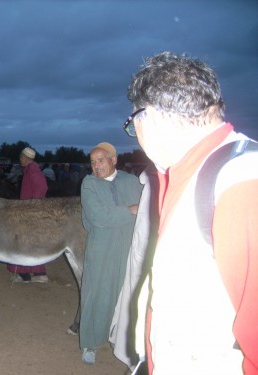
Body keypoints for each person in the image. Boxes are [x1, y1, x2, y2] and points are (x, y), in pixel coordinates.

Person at [122, 52, 258, 375]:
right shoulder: (189, 172)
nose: (137, 138)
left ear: (149, 118)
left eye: (133, 125)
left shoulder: (241, 183)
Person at [79, 142, 142, 365]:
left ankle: (119, 338)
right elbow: (98, 217)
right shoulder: (89, 184)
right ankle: (90, 342)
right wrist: (130, 210)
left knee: (124, 295)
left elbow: (146, 212)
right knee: (96, 293)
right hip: (102, 247)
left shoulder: (132, 181)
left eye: (101, 161)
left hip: (128, 245)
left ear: (113, 160)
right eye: (93, 162)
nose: (96, 166)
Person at [7, 147, 49, 283]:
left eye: (21, 157)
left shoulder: (32, 170)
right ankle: (39, 273)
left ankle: (24, 274)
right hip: (30, 212)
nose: (20, 160)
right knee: (33, 243)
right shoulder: (31, 169)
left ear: (25, 157)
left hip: (29, 213)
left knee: (24, 243)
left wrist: (31, 207)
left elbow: (42, 188)